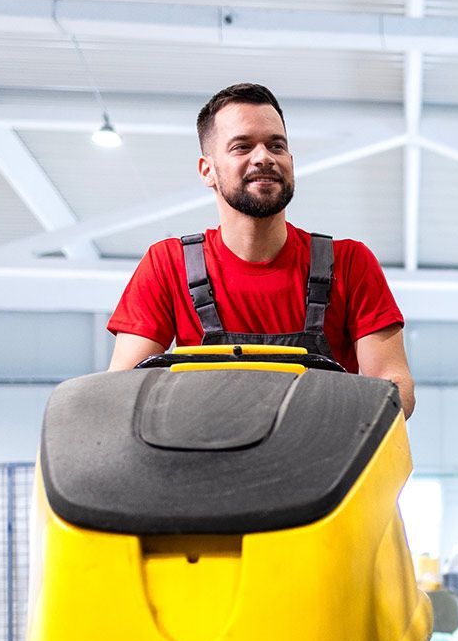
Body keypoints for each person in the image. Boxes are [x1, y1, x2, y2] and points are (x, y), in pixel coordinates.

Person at [103, 82, 416, 415]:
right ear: (207, 170)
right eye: (242, 146)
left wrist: (385, 399)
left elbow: (394, 384)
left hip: (326, 464)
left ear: (291, 161)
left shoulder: (349, 263)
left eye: (276, 145)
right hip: (204, 463)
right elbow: (123, 391)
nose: (264, 157)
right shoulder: (168, 264)